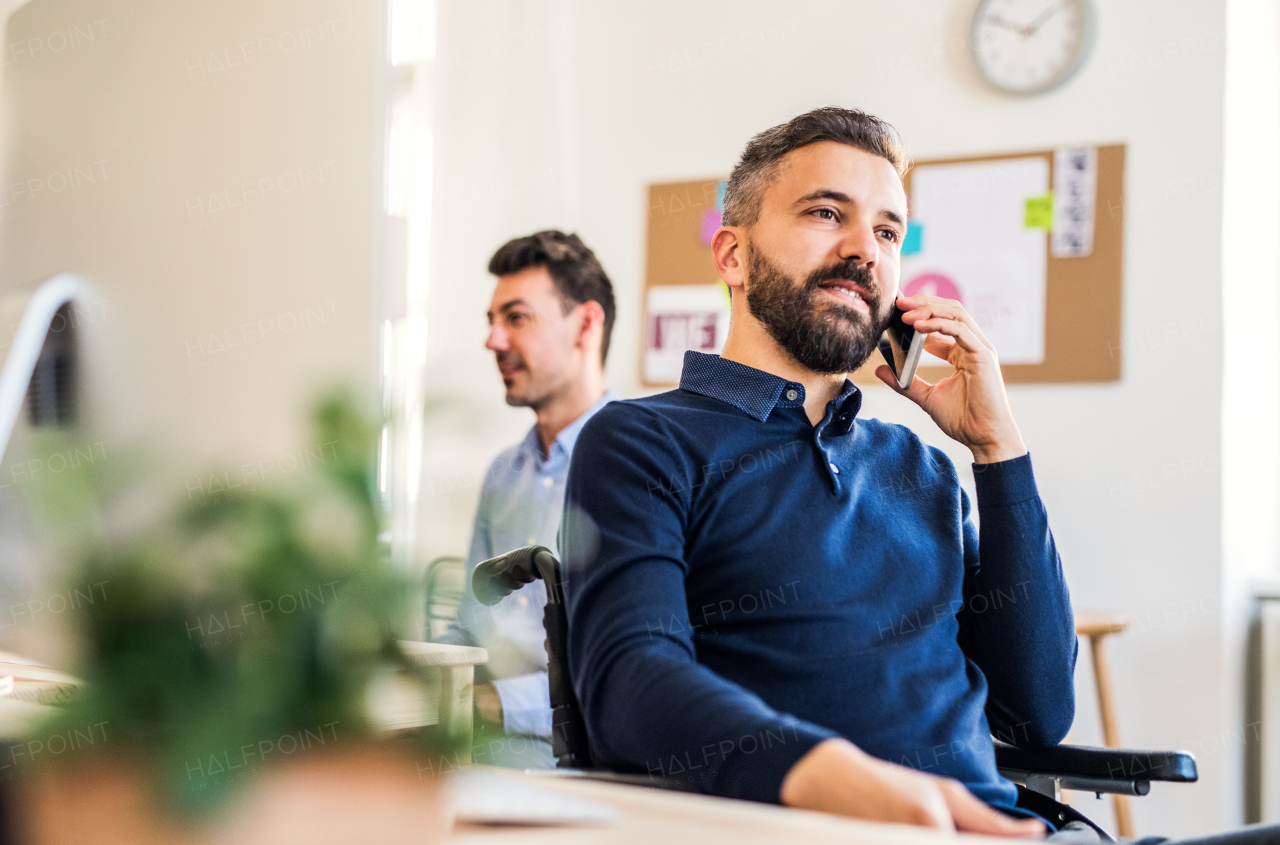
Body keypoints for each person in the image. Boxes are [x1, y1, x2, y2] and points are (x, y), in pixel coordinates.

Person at [561, 106, 1066, 837]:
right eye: (829, 213)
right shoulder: (642, 440)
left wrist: (998, 450)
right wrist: (835, 774)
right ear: (732, 256)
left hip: (998, 827)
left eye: (889, 232)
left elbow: (1038, 708)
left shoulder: (922, 470)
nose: (867, 250)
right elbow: (629, 681)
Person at [439, 230, 617, 768]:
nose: (493, 340)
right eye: (492, 321)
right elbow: (469, 623)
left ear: (586, 325)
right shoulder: (503, 473)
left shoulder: (637, 469)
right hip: (472, 756)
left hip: (570, 773)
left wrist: (496, 704)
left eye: (516, 318)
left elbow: (627, 672)